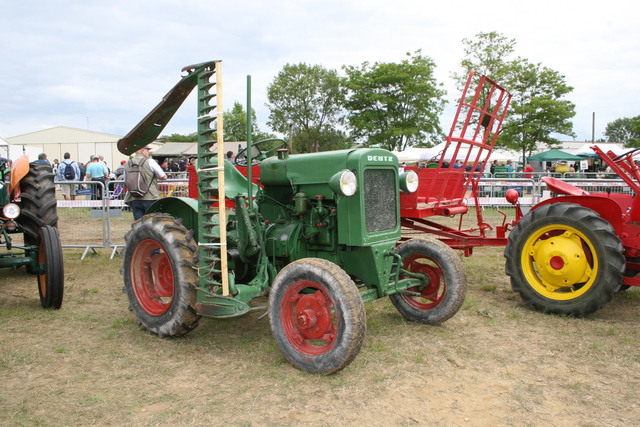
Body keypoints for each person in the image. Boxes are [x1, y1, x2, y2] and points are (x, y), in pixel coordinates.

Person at [124, 145, 167, 220]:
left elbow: (126, 180)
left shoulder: (127, 163)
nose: (148, 153)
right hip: (150, 196)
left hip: (134, 197)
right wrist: (154, 176)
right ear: (142, 151)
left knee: (138, 224)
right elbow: (164, 177)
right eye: (147, 151)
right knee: (152, 223)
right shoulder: (150, 161)